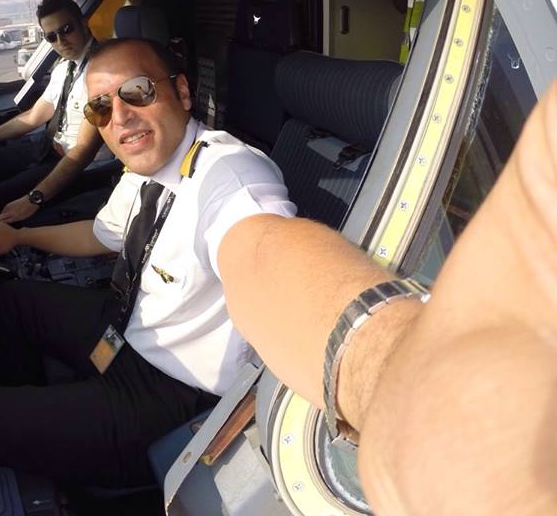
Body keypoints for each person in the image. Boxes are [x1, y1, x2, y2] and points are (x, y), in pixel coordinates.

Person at [0, 37, 296, 486]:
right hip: (128, 330)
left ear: (181, 91)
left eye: (137, 91)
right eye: (100, 107)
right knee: (12, 299)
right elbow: (100, 234)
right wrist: (19, 236)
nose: (119, 116)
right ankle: (38, 420)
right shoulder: (147, 168)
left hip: (173, 389)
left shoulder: (232, 178)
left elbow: (266, 251)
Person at [218, 78, 557, 516]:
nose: (129, 113)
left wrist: (405, 390)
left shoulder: (227, 174)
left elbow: (254, 248)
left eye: (140, 91)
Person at [0, 0, 107, 232]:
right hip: (48, 147)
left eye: (66, 29)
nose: (61, 41)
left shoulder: (105, 71)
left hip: (79, 165)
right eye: (51, 36)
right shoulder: (64, 68)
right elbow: (34, 116)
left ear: (83, 23)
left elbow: (83, 151)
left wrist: (34, 198)